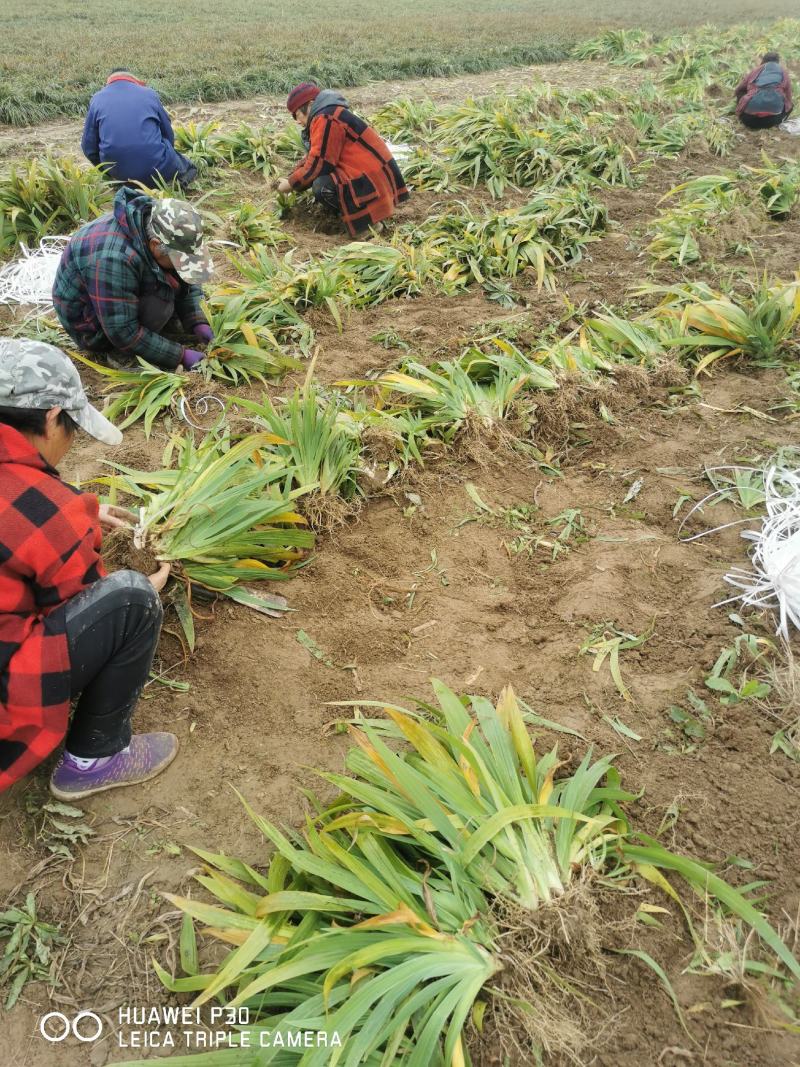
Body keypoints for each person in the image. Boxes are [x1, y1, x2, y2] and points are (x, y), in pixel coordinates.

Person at [0, 339, 176, 800]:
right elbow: (85, 599)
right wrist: (148, 588)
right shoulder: (45, 514)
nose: (73, 438)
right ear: (54, 416)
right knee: (132, 600)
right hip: (6, 693)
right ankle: (94, 759)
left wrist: (77, 509)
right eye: (73, 425)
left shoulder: (36, 505)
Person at [52, 189, 214, 372]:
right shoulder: (113, 259)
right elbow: (122, 331)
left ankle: (153, 333)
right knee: (159, 302)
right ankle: (122, 354)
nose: (183, 265)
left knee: (171, 280)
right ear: (155, 246)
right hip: (92, 324)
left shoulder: (162, 223)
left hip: (118, 291)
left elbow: (187, 274)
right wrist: (180, 355)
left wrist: (196, 320)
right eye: (180, 260)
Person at [276, 83, 409, 236]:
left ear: (310, 105)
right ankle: (366, 218)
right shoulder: (328, 113)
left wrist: (291, 184)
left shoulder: (325, 117)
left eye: (295, 114)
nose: (296, 121)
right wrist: (292, 176)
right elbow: (316, 155)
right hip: (373, 174)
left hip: (371, 178)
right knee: (323, 181)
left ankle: (368, 225)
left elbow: (320, 164)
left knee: (322, 187)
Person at [81, 69, 198, 189]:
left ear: (109, 82)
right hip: (156, 169)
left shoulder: (97, 99)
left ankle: (125, 183)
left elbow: (88, 147)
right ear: (134, 80)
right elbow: (167, 133)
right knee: (190, 167)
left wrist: (106, 170)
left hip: (118, 174)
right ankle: (178, 183)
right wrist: (168, 156)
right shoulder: (149, 94)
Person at [735, 52, 793, 130]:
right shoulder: (783, 72)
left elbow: (739, 89)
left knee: (741, 94)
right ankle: (777, 122)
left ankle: (743, 114)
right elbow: (789, 97)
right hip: (773, 121)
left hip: (748, 120)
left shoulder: (755, 70)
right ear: (777, 62)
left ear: (763, 61)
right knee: (790, 104)